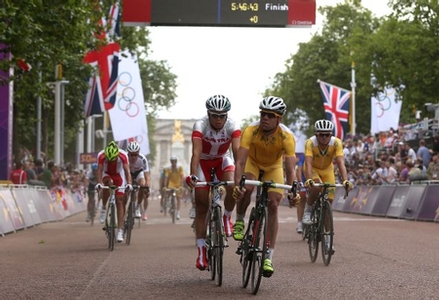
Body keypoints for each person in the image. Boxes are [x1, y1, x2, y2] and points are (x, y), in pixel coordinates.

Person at [232, 96, 299, 277]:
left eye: (270, 115)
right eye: (263, 114)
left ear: (279, 119)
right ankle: (239, 220)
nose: (265, 118)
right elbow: (240, 162)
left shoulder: (287, 137)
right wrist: (238, 185)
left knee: (274, 204)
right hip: (252, 163)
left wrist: (294, 191)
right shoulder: (251, 131)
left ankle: (268, 256)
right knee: (247, 188)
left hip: (273, 167)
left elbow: (291, 169)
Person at [185, 94, 241, 271]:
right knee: (202, 206)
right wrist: (193, 176)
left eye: (222, 115)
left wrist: (241, 177)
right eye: (214, 115)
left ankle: (226, 216)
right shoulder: (200, 125)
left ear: (227, 115)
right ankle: (201, 250)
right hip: (203, 161)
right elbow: (196, 153)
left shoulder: (233, 125)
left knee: (232, 186)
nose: (218, 119)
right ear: (208, 114)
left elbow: (238, 153)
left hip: (222, 160)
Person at [302, 119, 353, 253]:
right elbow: (307, 163)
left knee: (328, 204)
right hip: (313, 169)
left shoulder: (336, 142)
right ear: (316, 134)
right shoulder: (310, 142)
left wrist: (345, 180)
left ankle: (328, 241)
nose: (324, 137)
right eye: (321, 134)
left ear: (331, 135)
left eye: (327, 134)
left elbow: (340, 163)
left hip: (327, 170)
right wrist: (308, 179)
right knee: (317, 187)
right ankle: (308, 209)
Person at [95, 141, 133, 243]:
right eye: (109, 160)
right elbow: (99, 170)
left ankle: (120, 230)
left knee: (119, 201)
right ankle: (103, 207)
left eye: (113, 160)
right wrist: (99, 183)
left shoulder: (123, 155)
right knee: (109, 184)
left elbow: (127, 171)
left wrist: (129, 183)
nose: (111, 161)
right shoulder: (101, 155)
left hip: (118, 174)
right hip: (106, 174)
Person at [126, 141, 150, 221]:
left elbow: (147, 176)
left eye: (135, 154)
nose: (133, 157)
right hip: (128, 173)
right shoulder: (125, 158)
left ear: (138, 153)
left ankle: (138, 206)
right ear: (128, 153)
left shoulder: (142, 159)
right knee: (124, 192)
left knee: (142, 186)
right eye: (131, 155)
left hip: (138, 173)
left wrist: (147, 187)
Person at [295, 153, 306, 234]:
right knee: (301, 201)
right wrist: (300, 181)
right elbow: (299, 169)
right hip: (304, 180)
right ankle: (299, 224)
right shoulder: (303, 156)